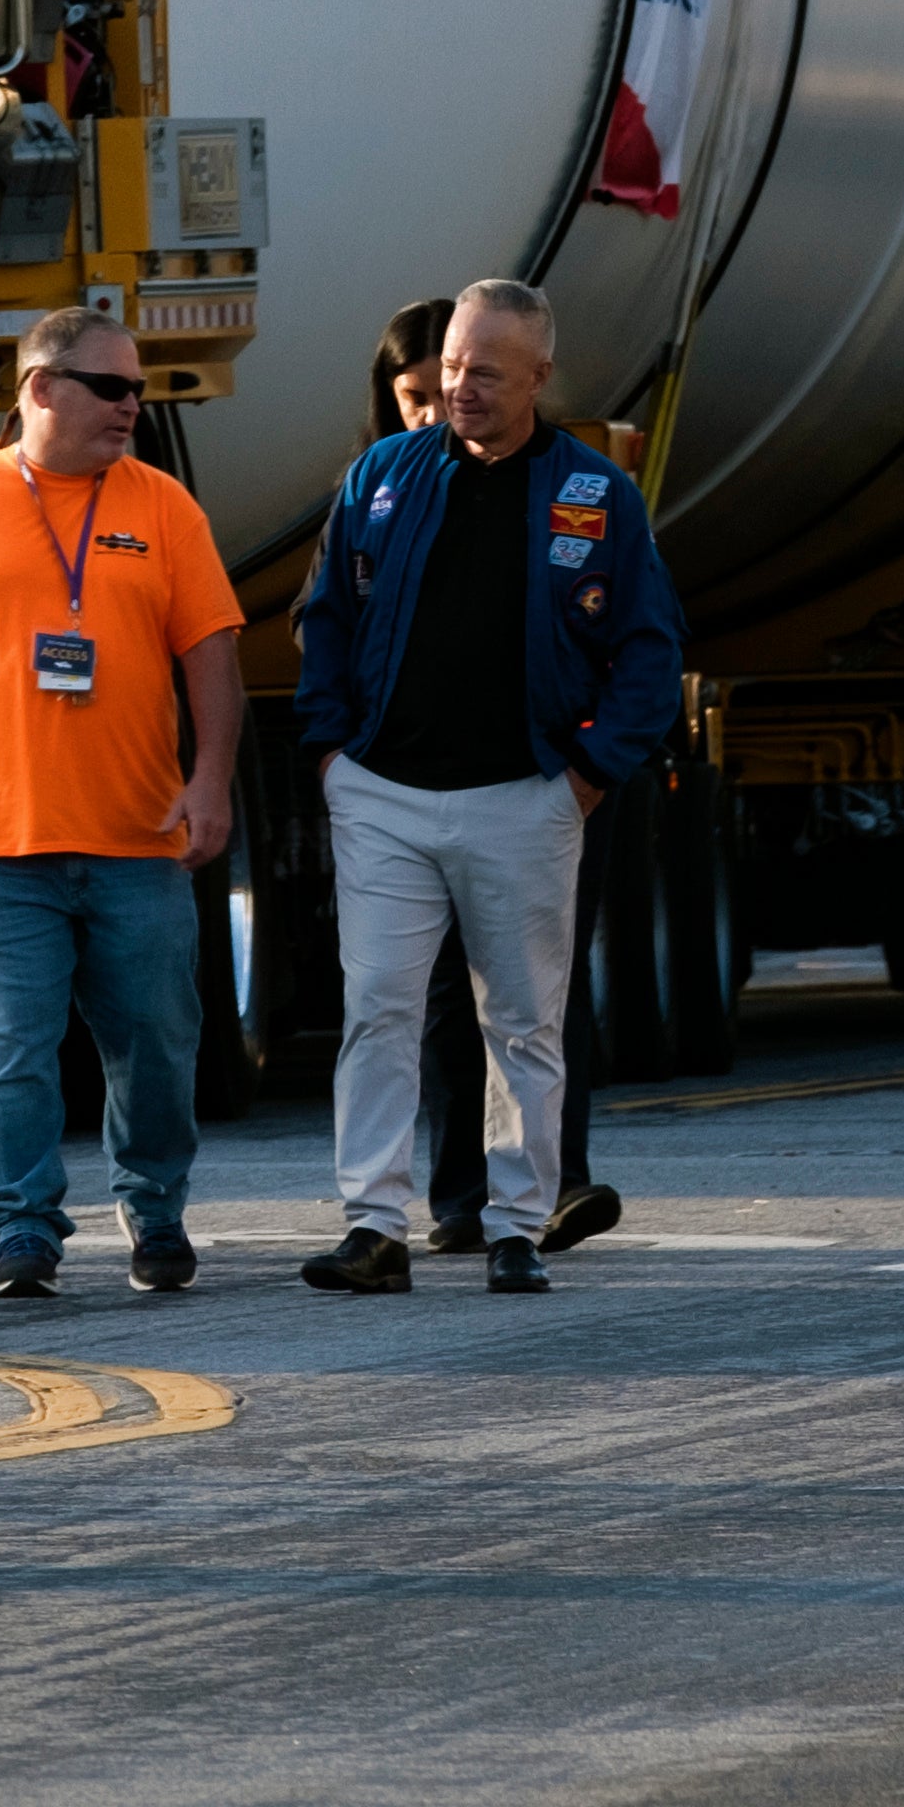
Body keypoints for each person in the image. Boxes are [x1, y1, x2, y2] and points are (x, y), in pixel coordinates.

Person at [299, 278, 682, 1295]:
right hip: (383, 791)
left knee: (520, 1016)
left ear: (539, 378)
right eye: (454, 367)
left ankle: (517, 1224)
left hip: (525, 795)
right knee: (377, 1006)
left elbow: (647, 649)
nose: (460, 388)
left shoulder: (596, 497)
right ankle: (372, 1224)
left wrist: (592, 771)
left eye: (485, 373)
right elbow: (325, 615)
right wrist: (333, 752)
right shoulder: (380, 476)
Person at [0, 310, 243, 1299]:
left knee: (159, 1044)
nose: (132, 408)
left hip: (138, 836)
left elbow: (210, 655)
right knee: (8, 1051)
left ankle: (155, 1211)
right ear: (39, 389)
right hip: (0, 836)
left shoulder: (164, 509)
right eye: (110, 388)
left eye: (138, 391)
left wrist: (209, 780)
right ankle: (24, 1230)